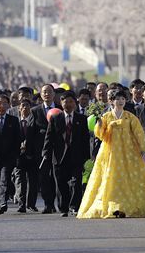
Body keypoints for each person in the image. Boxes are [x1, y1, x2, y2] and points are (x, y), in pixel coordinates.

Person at [78, 89, 145, 219]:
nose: (120, 102)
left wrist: (143, 148)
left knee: (128, 177)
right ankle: (112, 205)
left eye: (123, 99)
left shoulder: (130, 116)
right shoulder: (106, 116)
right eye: (118, 99)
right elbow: (101, 135)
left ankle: (126, 205)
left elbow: (138, 132)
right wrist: (99, 124)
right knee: (109, 177)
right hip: (110, 151)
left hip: (128, 151)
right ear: (112, 101)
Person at [43, 91, 91, 217]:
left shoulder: (82, 119)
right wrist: (46, 153)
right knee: (61, 183)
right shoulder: (55, 118)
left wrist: (87, 157)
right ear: (61, 103)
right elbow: (49, 138)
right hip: (59, 157)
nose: (68, 104)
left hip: (76, 156)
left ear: (75, 103)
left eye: (71, 101)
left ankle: (75, 206)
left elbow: (85, 139)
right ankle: (63, 208)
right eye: (65, 102)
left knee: (76, 182)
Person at [31, 84, 58, 214]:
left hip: (58, 150)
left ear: (54, 94)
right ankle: (48, 204)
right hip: (41, 151)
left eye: (49, 92)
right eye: (44, 92)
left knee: (56, 178)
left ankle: (58, 203)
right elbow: (31, 131)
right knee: (44, 178)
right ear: (41, 95)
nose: (47, 94)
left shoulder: (59, 109)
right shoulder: (35, 111)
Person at [14, 99, 39, 213]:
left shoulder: (36, 121)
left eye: (27, 106)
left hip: (32, 156)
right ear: (19, 108)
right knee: (20, 181)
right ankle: (21, 204)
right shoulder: (15, 121)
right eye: (22, 106)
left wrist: (30, 150)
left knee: (33, 181)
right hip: (19, 156)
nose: (25, 108)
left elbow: (37, 138)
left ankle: (31, 204)